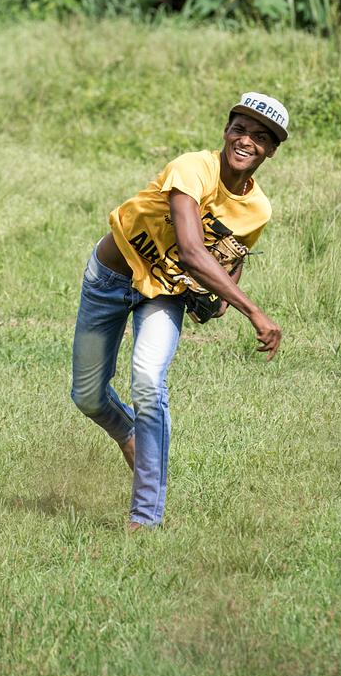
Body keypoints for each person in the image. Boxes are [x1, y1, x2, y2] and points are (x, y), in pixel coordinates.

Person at [70, 91, 287, 530]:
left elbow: (232, 254)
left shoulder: (258, 209)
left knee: (149, 382)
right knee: (88, 396)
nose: (247, 140)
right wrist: (254, 312)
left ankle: (145, 516)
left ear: (271, 150)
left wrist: (221, 297)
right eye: (240, 129)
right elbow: (190, 251)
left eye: (261, 137)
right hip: (110, 278)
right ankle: (130, 434)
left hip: (163, 294)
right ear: (226, 131)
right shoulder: (193, 168)